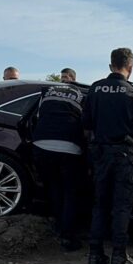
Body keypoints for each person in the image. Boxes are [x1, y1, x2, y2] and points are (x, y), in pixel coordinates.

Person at [82, 48, 133, 264]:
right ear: (130, 66)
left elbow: (86, 123)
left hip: (100, 153)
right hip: (124, 154)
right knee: (121, 205)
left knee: (100, 203)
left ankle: (95, 254)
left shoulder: (95, 88)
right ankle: (119, 255)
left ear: (111, 65)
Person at [32, 83, 86, 252]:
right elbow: (86, 122)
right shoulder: (81, 95)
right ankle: (67, 235)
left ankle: (56, 226)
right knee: (70, 192)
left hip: (42, 144)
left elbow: (38, 116)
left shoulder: (47, 92)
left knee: (54, 186)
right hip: (69, 146)